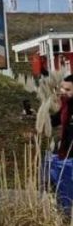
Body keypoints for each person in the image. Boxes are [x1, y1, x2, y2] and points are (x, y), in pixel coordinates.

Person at [49, 75, 73, 215]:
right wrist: (37, 117)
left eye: (67, 89)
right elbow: (55, 120)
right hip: (67, 156)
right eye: (62, 88)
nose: (63, 91)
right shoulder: (66, 105)